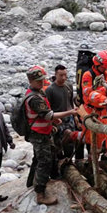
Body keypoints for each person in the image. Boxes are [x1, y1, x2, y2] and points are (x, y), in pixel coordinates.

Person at [25, 65, 77, 205]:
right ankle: (40, 194)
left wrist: (54, 120)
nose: (42, 83)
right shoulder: (34, 98)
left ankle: (32, 182)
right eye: (39, 81)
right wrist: (69, 113)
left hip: (45, 132)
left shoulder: (39, 93)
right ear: (31, 81)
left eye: (42, 80)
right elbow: (48, 114)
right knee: (44, 161)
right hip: (39, 134)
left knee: (43, 156)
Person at [46, 64, 77, 175]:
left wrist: (75, 117)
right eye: (61, 75)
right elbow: (48, 110)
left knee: (70, 141)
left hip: (69, 118)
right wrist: (52, 122)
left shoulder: (68, 86)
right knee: (58, 144)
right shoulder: (50, 90)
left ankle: (68, 163)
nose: (64, 78)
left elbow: (71, 102)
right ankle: (59, 165)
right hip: (58, 119)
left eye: (65, 75)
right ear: (56, 75)